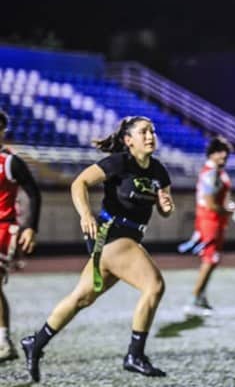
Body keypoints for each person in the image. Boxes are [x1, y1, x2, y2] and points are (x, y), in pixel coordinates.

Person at [20, 116, 175, 382]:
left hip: (128, 239)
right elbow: (78, 183)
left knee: (82, 298)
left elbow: (163, 209)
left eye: (152, 131)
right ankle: (134, 355)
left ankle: (36, 341)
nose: (150, 136)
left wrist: (165, 206)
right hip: (111, 234)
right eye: (143, 132)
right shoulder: (119, 162)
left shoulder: (158, 171)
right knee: (154, 286)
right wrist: (85, 215)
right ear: (128, 140)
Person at [178, 136, 235, 315]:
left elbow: (220, 199)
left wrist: (230, 208)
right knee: (210, 260)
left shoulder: (216, 170)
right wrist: (230, 212)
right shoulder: (211, 173)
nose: (224, 155)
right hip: (210, 221)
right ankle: (193, 301)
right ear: (212, 153)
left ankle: (201, 297)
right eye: (220, 151)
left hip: (214, 220)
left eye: (226, 152)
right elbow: (210, 203)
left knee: (211, 262)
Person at [0, 110, 41, 363]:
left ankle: (3, 341)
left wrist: (30, 227)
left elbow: (33, 192)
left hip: (3, 227)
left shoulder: (9, 161)